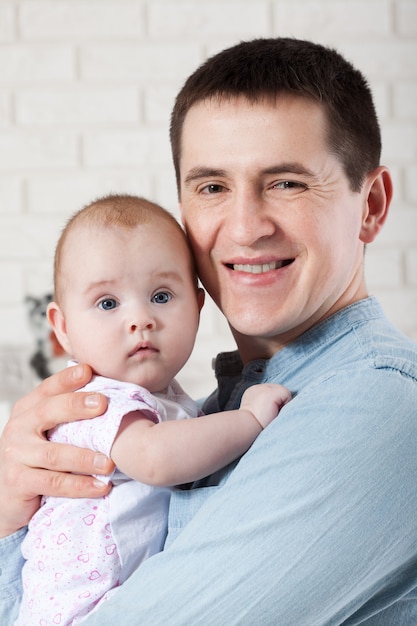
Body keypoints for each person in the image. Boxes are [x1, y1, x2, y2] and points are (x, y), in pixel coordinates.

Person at [1, 37, 417, 625]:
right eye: (213, 187)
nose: (245, 229)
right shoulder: (206, 411)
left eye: (287, 183)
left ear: (370, 204)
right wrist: (13, 513)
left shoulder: (376, 406)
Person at [14, 194, 290, 626]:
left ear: (198, 308)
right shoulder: (96, 400)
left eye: (161, 296)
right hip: (80, 610)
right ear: (63, 327)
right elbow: (157, 459)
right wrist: (249, 420)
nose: (140, 318)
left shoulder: (164, 398)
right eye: (108, 303)